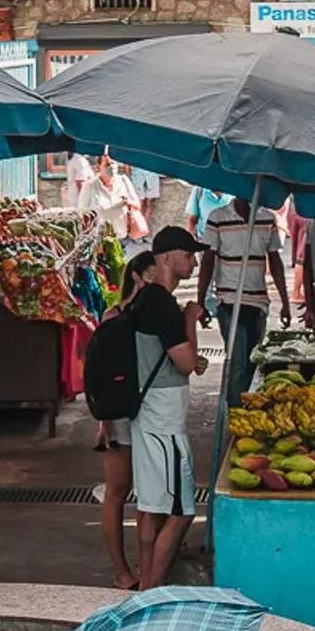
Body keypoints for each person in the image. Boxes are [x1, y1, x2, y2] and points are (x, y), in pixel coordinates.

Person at [123, 224, 204, 589]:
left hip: (147, 411)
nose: (194, 262)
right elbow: (186, 362)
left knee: (151, 504)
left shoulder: (145, 299)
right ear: (168, 258)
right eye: (189, 256)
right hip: (163, 418)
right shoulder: (165, 306)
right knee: (181, 510)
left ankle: (145, 580)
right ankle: (153, 587)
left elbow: (175, 357)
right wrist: (190, 320)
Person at [195, 195, 291, 416]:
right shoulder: (218, 218)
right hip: (229, 301)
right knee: (237, 362)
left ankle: (251, 410)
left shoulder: (267, 219)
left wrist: (285, 302)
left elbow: (274, 260)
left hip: (258, 302)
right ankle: (236, 415)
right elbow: (208, 260)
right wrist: (201, 301)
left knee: (254, 361)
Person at [95, 250, 153, 591]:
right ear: (137, 277)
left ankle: (146, 570)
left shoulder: (155, 312)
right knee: (118, 492)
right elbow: (99, 370)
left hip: (146, 412)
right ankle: (122, 571)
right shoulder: (112, 316)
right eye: (151, 275)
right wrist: (102, 419)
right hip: (119, 414)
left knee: (146, 493)